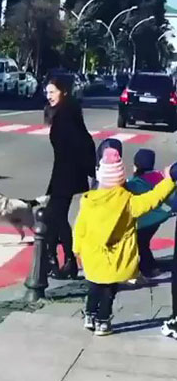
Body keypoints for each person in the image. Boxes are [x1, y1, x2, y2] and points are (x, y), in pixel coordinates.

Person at [74, 148, 177, 336]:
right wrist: (170, 180)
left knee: (94, 286)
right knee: (110, 290)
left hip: (93, 255)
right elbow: (153, 199)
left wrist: (77, 248)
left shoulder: (88, 201)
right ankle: (103, 322)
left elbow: (80, 227)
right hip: (117, 257)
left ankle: (89, 314)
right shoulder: (129, 202)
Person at [44, 77, 96, 280]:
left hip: (67, 173)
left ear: (63, 92)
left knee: (52, 216)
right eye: (47, 92)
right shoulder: (66, 111)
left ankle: (60, 261)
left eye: (53, 92)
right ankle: (65, 262)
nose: (49, 96)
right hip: (65, 172)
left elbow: (81, 141)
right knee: (55, 216)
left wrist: (86, 168)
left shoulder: (65, 114)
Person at [125, 149, 177, 280]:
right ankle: (149, 264)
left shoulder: (136, 183)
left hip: (146, 220)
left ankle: (148, 268)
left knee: (140, 242)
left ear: (136, 165)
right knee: (143, 242)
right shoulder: (158, 177)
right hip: (159, 217)